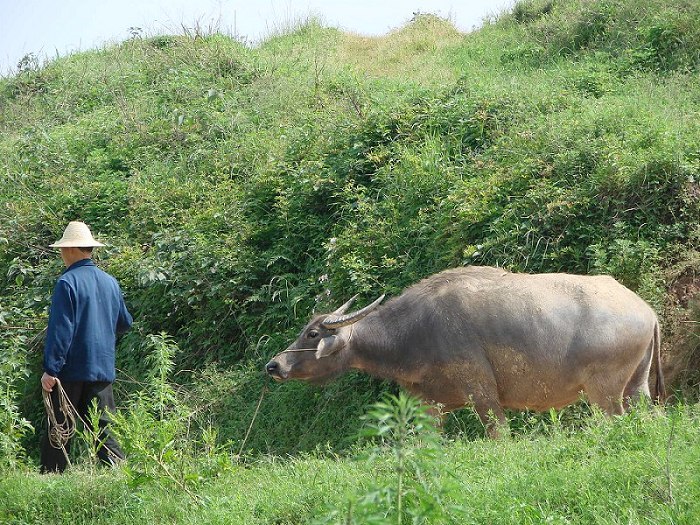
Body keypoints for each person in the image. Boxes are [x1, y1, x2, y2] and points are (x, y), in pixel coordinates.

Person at [40, 221, 133, 473]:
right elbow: (124, 322)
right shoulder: (110, 282)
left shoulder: (67, 283)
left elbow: (61, 331)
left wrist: (51, 369)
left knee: (59, 429)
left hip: (69, 372)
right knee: (104, 429)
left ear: (70, 250)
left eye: (62, 249)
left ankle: (52, 481)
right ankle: (119, 477)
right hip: (102, 368)